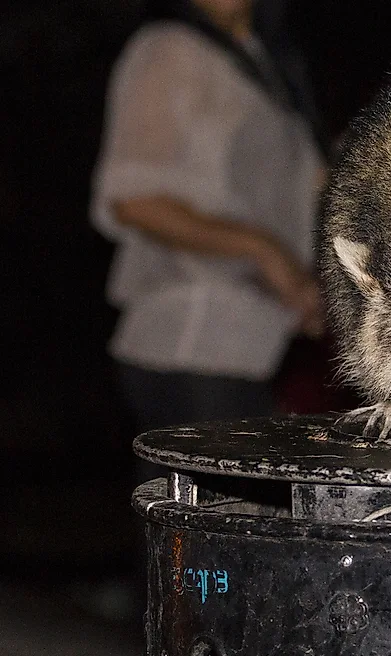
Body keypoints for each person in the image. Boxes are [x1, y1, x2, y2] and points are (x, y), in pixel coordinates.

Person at [90, 0, 325, 448]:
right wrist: (265, 251)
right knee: (206, 513)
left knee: (245, 512)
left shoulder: (262, 60)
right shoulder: (167, 49)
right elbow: (135, 199)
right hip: (191, 339)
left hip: (259, 347)